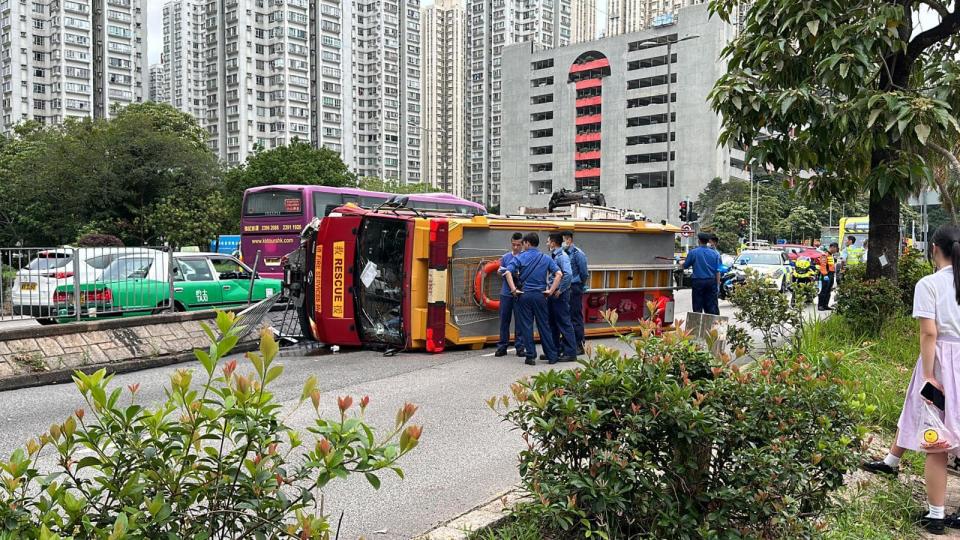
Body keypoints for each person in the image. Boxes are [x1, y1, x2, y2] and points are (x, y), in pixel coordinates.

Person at [860, 224, 960, 534]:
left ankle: (936, 516)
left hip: (943, 362)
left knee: (937, 439)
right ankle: (891, 461)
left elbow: (929, 332)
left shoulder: (929, 284)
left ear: (934, 249)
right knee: (924, 416)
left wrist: (929, 376)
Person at [504, 232, 563, 365]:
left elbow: (507, 272)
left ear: (527, 243)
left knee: (526, 326)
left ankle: (530, 356)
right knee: (544, 326)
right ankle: (551, 355)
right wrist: (551, 290)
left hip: (524, 295)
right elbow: (559, 274)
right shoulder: (546, 258)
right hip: (541, 295)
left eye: (524, 243)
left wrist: (514, 290)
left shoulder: (520, 257)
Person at [542, 233, 577, 362]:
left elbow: (567, 274)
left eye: (547, 242)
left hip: (559, 295)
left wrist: (560, 289)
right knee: (552, 323)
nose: (546, 244)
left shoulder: (562, 257)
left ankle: (570, 352)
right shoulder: (554, 256)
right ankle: (554, 351)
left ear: (552, 243)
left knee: (563, 322)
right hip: (552, 293)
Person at [494, 233, 525, 357]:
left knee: (520, 321)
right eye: (514, 244)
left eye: (518, 245)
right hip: (506, 293)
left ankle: (520, 346)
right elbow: (498, 271)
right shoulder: (506, 257)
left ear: (523, 245)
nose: (516, 247)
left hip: (520, 293)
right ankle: (502, 346)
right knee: (504, 321)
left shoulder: (525, 257)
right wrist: (502, 272)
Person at [562, 230, 589, 355]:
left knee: (575, 316)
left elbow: (584, 273)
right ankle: (568, 343)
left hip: (574, 286)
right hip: (566, 287)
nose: (563, 243)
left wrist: (579, 285)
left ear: (569, 240)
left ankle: (579, 344)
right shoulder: (563, 253)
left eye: (564, 240)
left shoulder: (578, 254)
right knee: (566, 316)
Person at [683, 233, 722, 315]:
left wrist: (681, 262)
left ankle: (697, 326)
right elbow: (718, 271)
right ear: (708, 241)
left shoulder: (693, 252)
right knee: (712, 306)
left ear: (699, 241)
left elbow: (685, 266)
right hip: (711, 282)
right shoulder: (715, 254)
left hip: (698, 282)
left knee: (697, 306)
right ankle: (712, 326)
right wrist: (718, 284)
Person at [816, 243, 838, 311]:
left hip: (831, 274)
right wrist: (825, 275)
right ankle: (820, 305)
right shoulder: (824, 255)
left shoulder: (831, 255)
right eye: (836, 248)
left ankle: (825, 305)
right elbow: (823, 265)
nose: (836, 250)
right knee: (824, 290)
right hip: (826, 274)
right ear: (832, 247)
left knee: (828, 290)